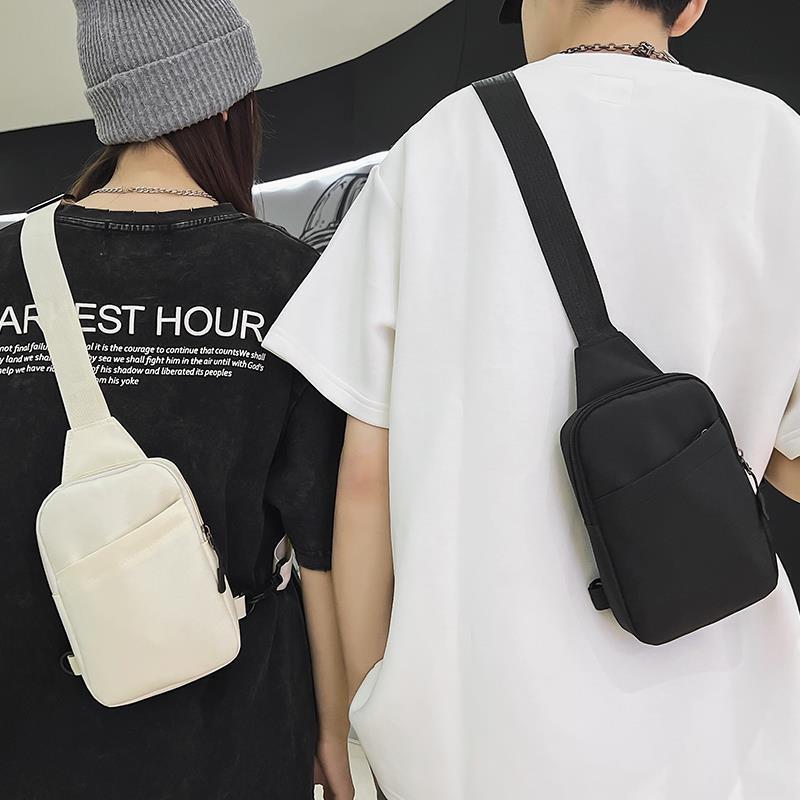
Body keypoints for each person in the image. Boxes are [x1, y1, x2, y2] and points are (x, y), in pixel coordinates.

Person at [263, 0, 800, 797]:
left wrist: (365, 711)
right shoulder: (777, 144)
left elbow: (365, 479)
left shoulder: (438, 148)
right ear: (690, 8)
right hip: (723, 732)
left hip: (477, 740)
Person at [0, 2, 353, 798]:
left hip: (29, 735)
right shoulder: (284, 277)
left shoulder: (9, 263)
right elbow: (320, 547)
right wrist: (331, 730)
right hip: (233, 736)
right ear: (224, 104)